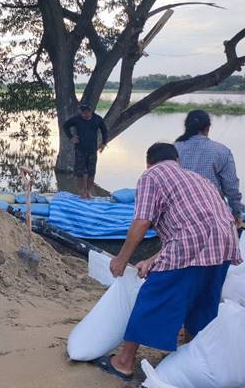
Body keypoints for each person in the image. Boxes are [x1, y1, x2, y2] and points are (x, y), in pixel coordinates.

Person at [95, 143, 241, 381]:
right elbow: (191, 225)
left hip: (194, 242)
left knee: (154, 297)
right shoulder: (197, 178)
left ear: (148, 162)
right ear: (177, 161)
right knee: (203, 302)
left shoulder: (151, 175)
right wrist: (154, 260)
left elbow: (142, 222)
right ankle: (189, 357)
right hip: (225, 242)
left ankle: (124, 362)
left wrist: (121, 260)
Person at [174, 109, 243, 225]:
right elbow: (231, 188)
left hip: (179, 211)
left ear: (186, 126)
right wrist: (236, 214)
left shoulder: (173, 149)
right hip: (213, 211)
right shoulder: (222, 151)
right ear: (208, 127)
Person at [63, 104, 108, 199]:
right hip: (80, 149)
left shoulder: (97, 119)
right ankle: (82, 192)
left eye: (86, 112)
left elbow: (104, 130)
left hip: (92, 150)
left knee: (91, 172)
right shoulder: (76, 119)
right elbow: (65, 126)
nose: (84, 114)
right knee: (80, 172)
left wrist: (104, 143)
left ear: (91, 111)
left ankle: (88, 191)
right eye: (82, 112)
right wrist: (71, 137)